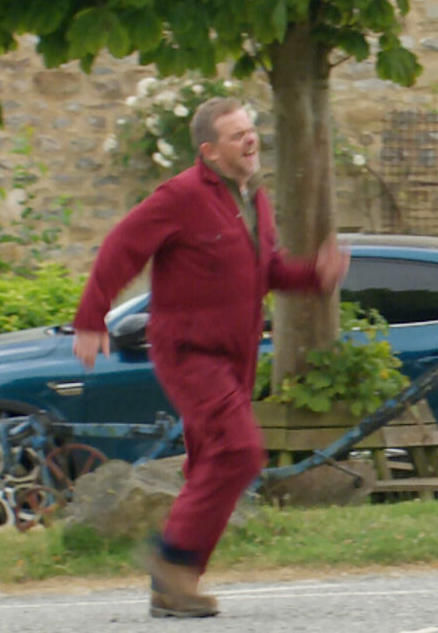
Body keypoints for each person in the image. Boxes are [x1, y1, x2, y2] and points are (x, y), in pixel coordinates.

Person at [71, 97, 348, 619]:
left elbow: (267, 271)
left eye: (251, 129)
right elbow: (122, 246)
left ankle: (176, 587)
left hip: (236, 357)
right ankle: (172, 562)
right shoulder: (181, 196)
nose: (251, 139)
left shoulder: (253, 200)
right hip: (190, 353)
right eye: (237, 134)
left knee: (211, 464)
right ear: (210, 151)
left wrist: (316, 274)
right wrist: (91, 318)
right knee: (240, 450)